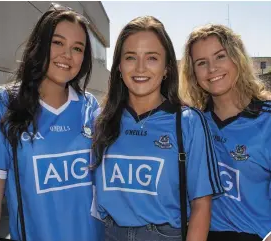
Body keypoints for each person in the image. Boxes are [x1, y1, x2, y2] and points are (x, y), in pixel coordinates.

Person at [0, 3, 104, 241]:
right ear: (40, 44)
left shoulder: (90, 106)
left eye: (78, 48)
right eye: (57, 42)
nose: (67, 55)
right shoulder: (2, 102)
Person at [91, 16, 223, 241]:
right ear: (119, 67)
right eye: (130, 57)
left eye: (152, 58)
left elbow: (202, 205)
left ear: (167, 69)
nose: (140, 67)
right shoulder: (101, 120)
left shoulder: (189, 122)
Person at [179, 23, 271, 241]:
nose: (212, 68)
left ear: (237, 58)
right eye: (201, 62)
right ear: (193, 72)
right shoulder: (193, 121)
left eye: (220, 56)